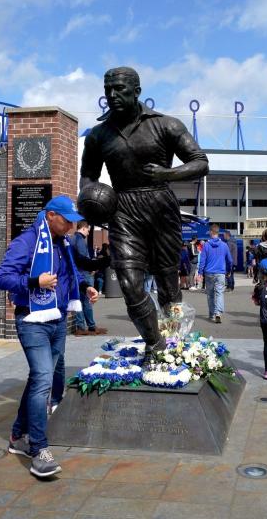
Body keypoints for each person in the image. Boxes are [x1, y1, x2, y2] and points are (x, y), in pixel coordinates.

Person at [80, 66, 209, 357]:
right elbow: (88, 177)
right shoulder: (98, 136)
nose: (112, 95)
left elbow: (200, 162)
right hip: (122, 209)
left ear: (137, 91)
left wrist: (169, 174)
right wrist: (89, 200)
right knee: (128, 281)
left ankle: (175, 341)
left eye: (120, 89)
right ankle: (155, 344)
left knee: (167, 281)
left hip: (160, 205)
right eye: (108, 90)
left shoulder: (166, 125)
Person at [0, 195, 100, 477]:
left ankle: (18, 436)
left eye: (72, 222)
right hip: (32, 320)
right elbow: (1, 278)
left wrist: (85, 287)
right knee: (42, 379)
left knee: (40, 378)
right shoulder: (27, 242)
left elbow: (70, 273)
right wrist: (34, 281)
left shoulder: (61, 242)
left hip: (57, 320)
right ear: (51, 215)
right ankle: (39, 449)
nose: (70, 226)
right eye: (66, 220)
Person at [71, 221, 109, 336]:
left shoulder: (74, 239)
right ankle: (84, 327)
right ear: (83, 228)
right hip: (83, 274)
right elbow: (83, 259)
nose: (88, 232)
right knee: (86, 301)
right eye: (88, 230)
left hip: (81, 273)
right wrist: (92, 267)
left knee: (84, 301)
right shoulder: (79, 240)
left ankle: (88, 326)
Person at [197, 224, 233, 323]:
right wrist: (229, 271)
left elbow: (203, 260)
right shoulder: (224, 245)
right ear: (217, 232)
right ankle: (218, 313)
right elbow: (230, 260)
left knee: (210, 294)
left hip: (209, 273)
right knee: (220, 293)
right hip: (220, 273)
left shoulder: (206, 245)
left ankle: (212, 314)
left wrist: (200, 272)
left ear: (211, 232)